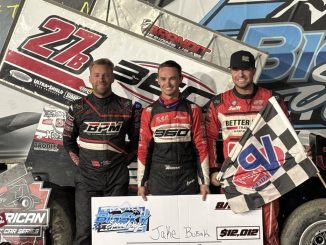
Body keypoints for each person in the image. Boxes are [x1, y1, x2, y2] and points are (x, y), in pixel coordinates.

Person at [205, 50, 289, 245]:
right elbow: (208, 139)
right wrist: (214, 170)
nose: (240, 74)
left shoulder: (272, 99)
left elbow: (286, 135)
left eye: (245, 69)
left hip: (266, 176)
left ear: (253, 70)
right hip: (233, 179)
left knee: (268, 232)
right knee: (233, 232)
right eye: (236, 69)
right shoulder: (219, 103)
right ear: (231, 72)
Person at [63, 58, 141, 245]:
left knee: (113, 232)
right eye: (97, 75)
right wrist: (82, 163)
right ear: (90, 78)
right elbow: (67, 140)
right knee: (83, 233)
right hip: (86, 179)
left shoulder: (127, 106)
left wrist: (122, 161)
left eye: (106, 75)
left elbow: (138, 140)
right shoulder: (77, 107)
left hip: (116, 179)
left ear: (113, 77)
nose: (101, 79)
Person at [137, 60, 210, 201]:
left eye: (172, 78)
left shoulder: (193, 109)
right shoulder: (149, 111)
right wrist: (141, 183)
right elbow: (144, 149)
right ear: (157, 80)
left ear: (180, 79)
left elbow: (201, 147)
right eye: (163, 79)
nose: (168, 84)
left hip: (187, 179)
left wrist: (204, 182)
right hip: (159, 180)